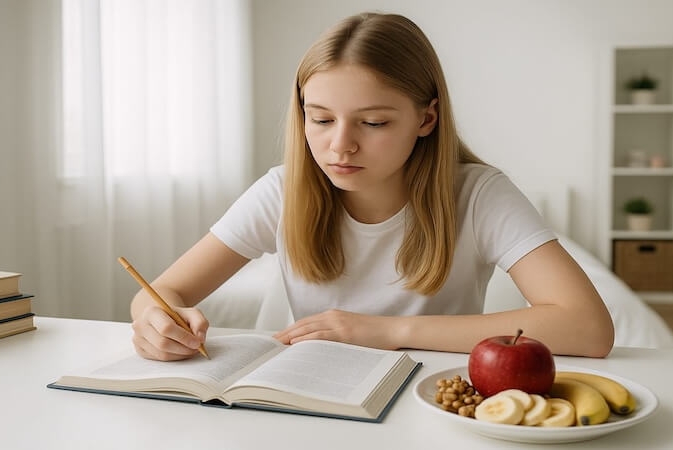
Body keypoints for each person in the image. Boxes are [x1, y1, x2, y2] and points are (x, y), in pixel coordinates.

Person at [130, 11, 614, 361]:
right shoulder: (281, 190)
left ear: (426, 118)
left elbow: (588, 328)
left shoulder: (478, 194)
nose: (341, 146)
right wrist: (156, 321)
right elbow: (164, 290)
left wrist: (384, 331)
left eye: (375, 123)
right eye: (320, 119)